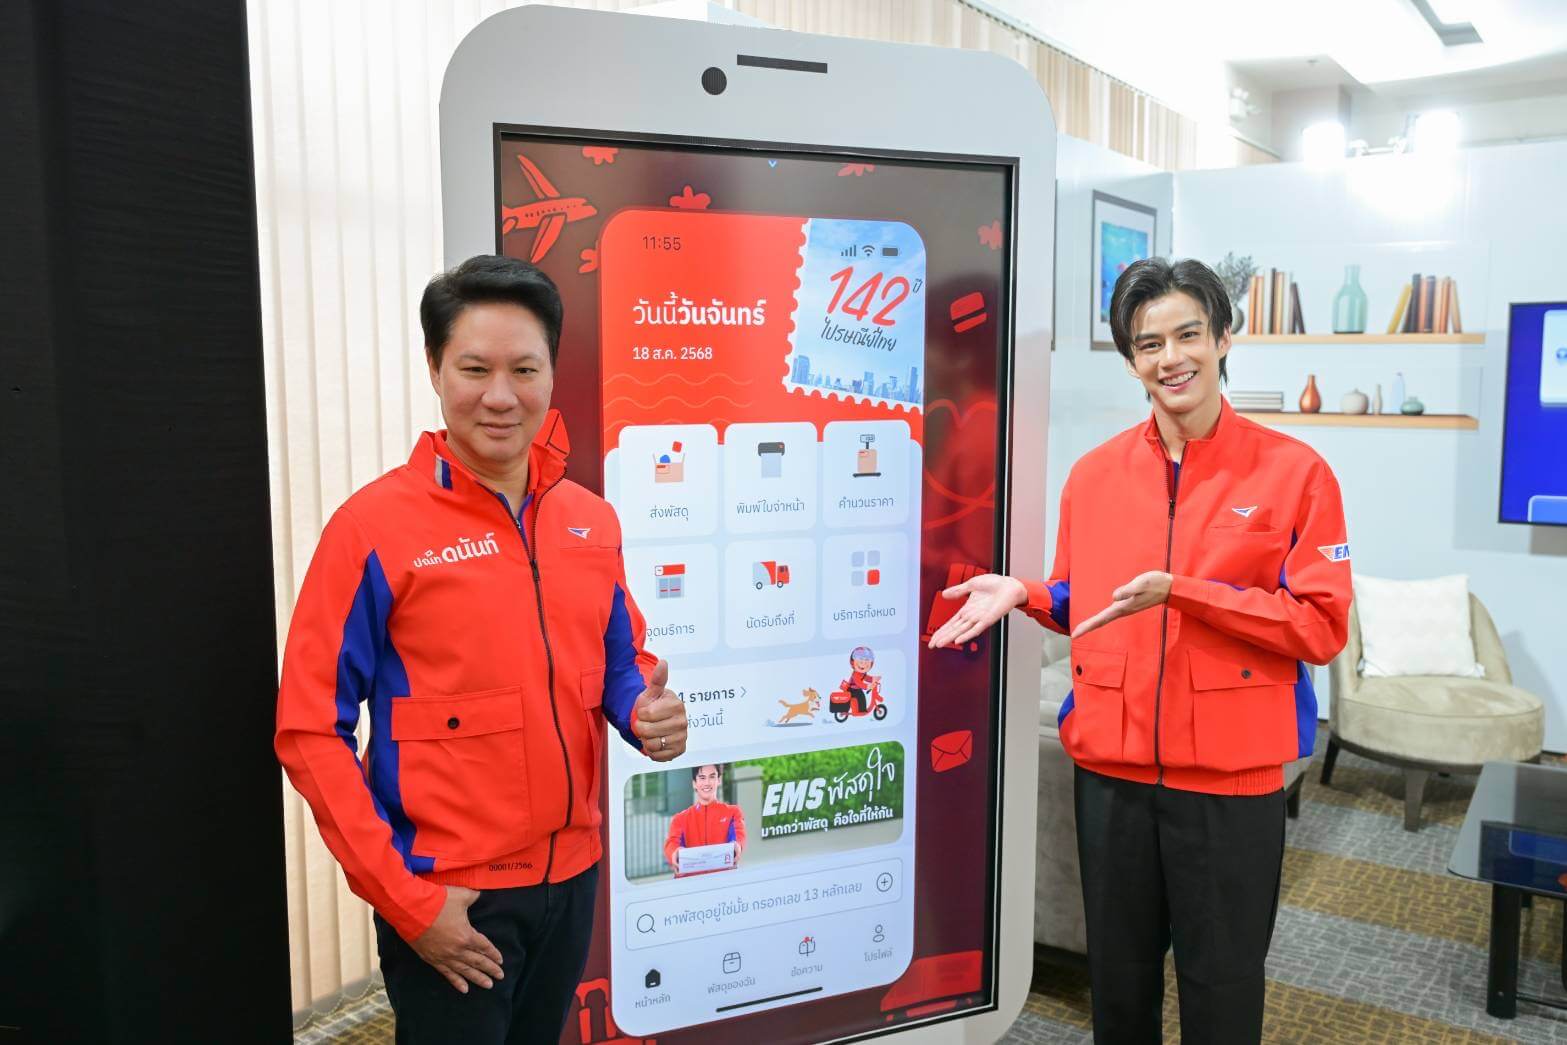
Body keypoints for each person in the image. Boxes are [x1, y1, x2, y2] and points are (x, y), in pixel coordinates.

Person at [930, 257, 1350, 1044]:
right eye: (1148, 343)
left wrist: (1187, 593)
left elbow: (1320, 627)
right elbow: (1084, 598)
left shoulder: (1295, 473)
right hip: (1111, 777)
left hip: (1229, 782)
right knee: (1117, 991)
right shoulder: (1092, 476)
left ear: (1223, 338)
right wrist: (1025, 592)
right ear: (1130, 360)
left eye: (1188, 334)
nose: (1170, 358)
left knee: (1220, 991)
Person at [275, 255, 689, 1044]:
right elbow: (308, 731)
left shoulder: (588, 518)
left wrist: (645, 711)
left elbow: (618, 660)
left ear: (551, 373)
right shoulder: (371, 529)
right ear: (434, 368)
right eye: (474, 369)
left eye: (524, 369)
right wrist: (408, 902)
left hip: (570, 879)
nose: (500, 396)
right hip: (451, 897)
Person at [663, 763, 747, 877]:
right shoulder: (680, 819)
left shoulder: (733, 812)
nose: (707, 783)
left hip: (723, 880)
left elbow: (738, 836)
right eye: (702, 778)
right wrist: (674, 852)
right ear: (694, 783)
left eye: (712, 777)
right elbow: (672, 843)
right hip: (690, 883)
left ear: (719, 780)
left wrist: (737, 845)